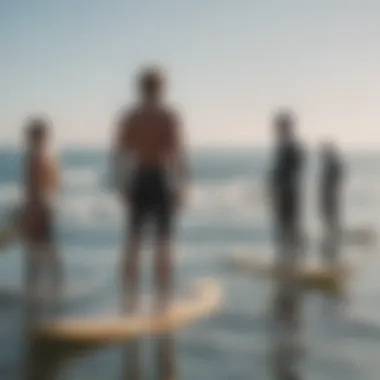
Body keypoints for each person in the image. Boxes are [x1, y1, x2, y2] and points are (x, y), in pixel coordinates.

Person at [111, 66, 188, 314]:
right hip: (161, 178)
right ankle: (162, 299)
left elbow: (119, 155)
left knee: (133, 241)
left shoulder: (130, 116)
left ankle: (129, 299)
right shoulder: (168, 116)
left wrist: (122, 184)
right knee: (163, 242)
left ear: (139, 87)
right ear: (162, 88)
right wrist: (181, 186)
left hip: (139, 176)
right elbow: (178, 155)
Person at [20, 118, 61, 306]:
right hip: (48, 206)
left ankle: (34, 293)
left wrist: (28, 212)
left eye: (29, 135)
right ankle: (56, 288)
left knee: (34, 253)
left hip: (37, 207)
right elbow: (55, 185)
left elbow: (31, 188)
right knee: (48, 250)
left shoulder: (34, 157)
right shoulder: (50, 156)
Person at [268, 110, 305, 266]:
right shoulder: (283, 146)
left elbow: (291, 170)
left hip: (289, 193)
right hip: (283, 193)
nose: (275, 130)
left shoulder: (292, 146)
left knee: (290, 227)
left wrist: (278, 186)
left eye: (279, 126)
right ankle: (287, 259)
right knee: (284, 227)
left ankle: (293, 261)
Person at [319, 142, 344, 266]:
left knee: (331, 218)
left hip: (330, 195)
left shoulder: (333, 163)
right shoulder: (329, 163)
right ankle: (331, 241)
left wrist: (332, 191)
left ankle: (333, 243)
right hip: (328, 195)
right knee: (329, 218)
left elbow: (336, 179)